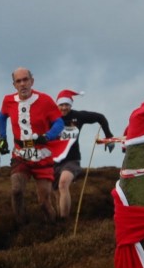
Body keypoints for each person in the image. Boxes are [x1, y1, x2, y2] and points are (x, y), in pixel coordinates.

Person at [0, 67, 64, 223]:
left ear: (32, 81)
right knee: (16, 191)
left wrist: (47, 136)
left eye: (25, 80)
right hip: (20, 154)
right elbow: (1, 117)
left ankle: (54, 228)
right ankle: (21, 226)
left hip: (42, 156)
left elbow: (59, 122)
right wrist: (3, 137)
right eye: (18, 81)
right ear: (14, 85)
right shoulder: (8, 101)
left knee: (43, 202)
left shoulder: (45, 100)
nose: (23, 84)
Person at [49, 89, 114, 222]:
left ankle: (64, 221)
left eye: (67, 105)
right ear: (57, 105)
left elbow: (100, 118)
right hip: (53, 161)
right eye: (61, 105)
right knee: (55, 192)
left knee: (63, 184)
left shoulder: (78, 116)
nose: (64, 107)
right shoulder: (51, 118)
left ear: (71, 105)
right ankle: (60, 223)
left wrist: (108, 137)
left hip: (72, 160)